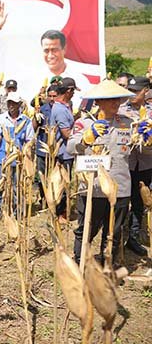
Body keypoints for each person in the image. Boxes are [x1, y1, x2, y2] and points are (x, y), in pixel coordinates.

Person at [67, 79, 136, 265]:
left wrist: (148, 140)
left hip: (120, 187)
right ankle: (80, 264)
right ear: (98, 101)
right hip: (93, 188)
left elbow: (142, 150)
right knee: (87, 230)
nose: (116, 103)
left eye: (118, 99)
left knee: (114, 231)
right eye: (110, 99)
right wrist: (86, 138)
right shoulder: (84, 123)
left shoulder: (128, 124)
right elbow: (70, 147)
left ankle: (107, 267)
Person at [118, 75, 152, 256]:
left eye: (136, 91)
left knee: (140, 202)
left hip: (146, 163)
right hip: (126, 163)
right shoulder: (121, 110)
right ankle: (118, 237)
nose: (132, 94)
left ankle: (133, 237)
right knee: (122, 202)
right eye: (130, 91)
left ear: (146, 91)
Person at [0, 92, 35, 219]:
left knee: (17, 186)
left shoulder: (26, 121)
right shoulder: (0, 119)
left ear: (19, 104)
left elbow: (30, 141)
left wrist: (27, 157)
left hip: (19, 159)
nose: (11, 105)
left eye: (14, 103)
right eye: (9, 103)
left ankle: (17, 211)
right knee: (0, 184)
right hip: (3, 157)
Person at [49, 77, 79, 221]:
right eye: (73, 91)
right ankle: (60, 213)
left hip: (66, 152)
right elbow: (66, 133)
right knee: (62, 183)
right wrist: (83, 133)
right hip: (63, 153)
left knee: (65, 181)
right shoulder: (60, 109)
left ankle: (63, 211)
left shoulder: (65, 106)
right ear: (68, 91)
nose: (73, 94)